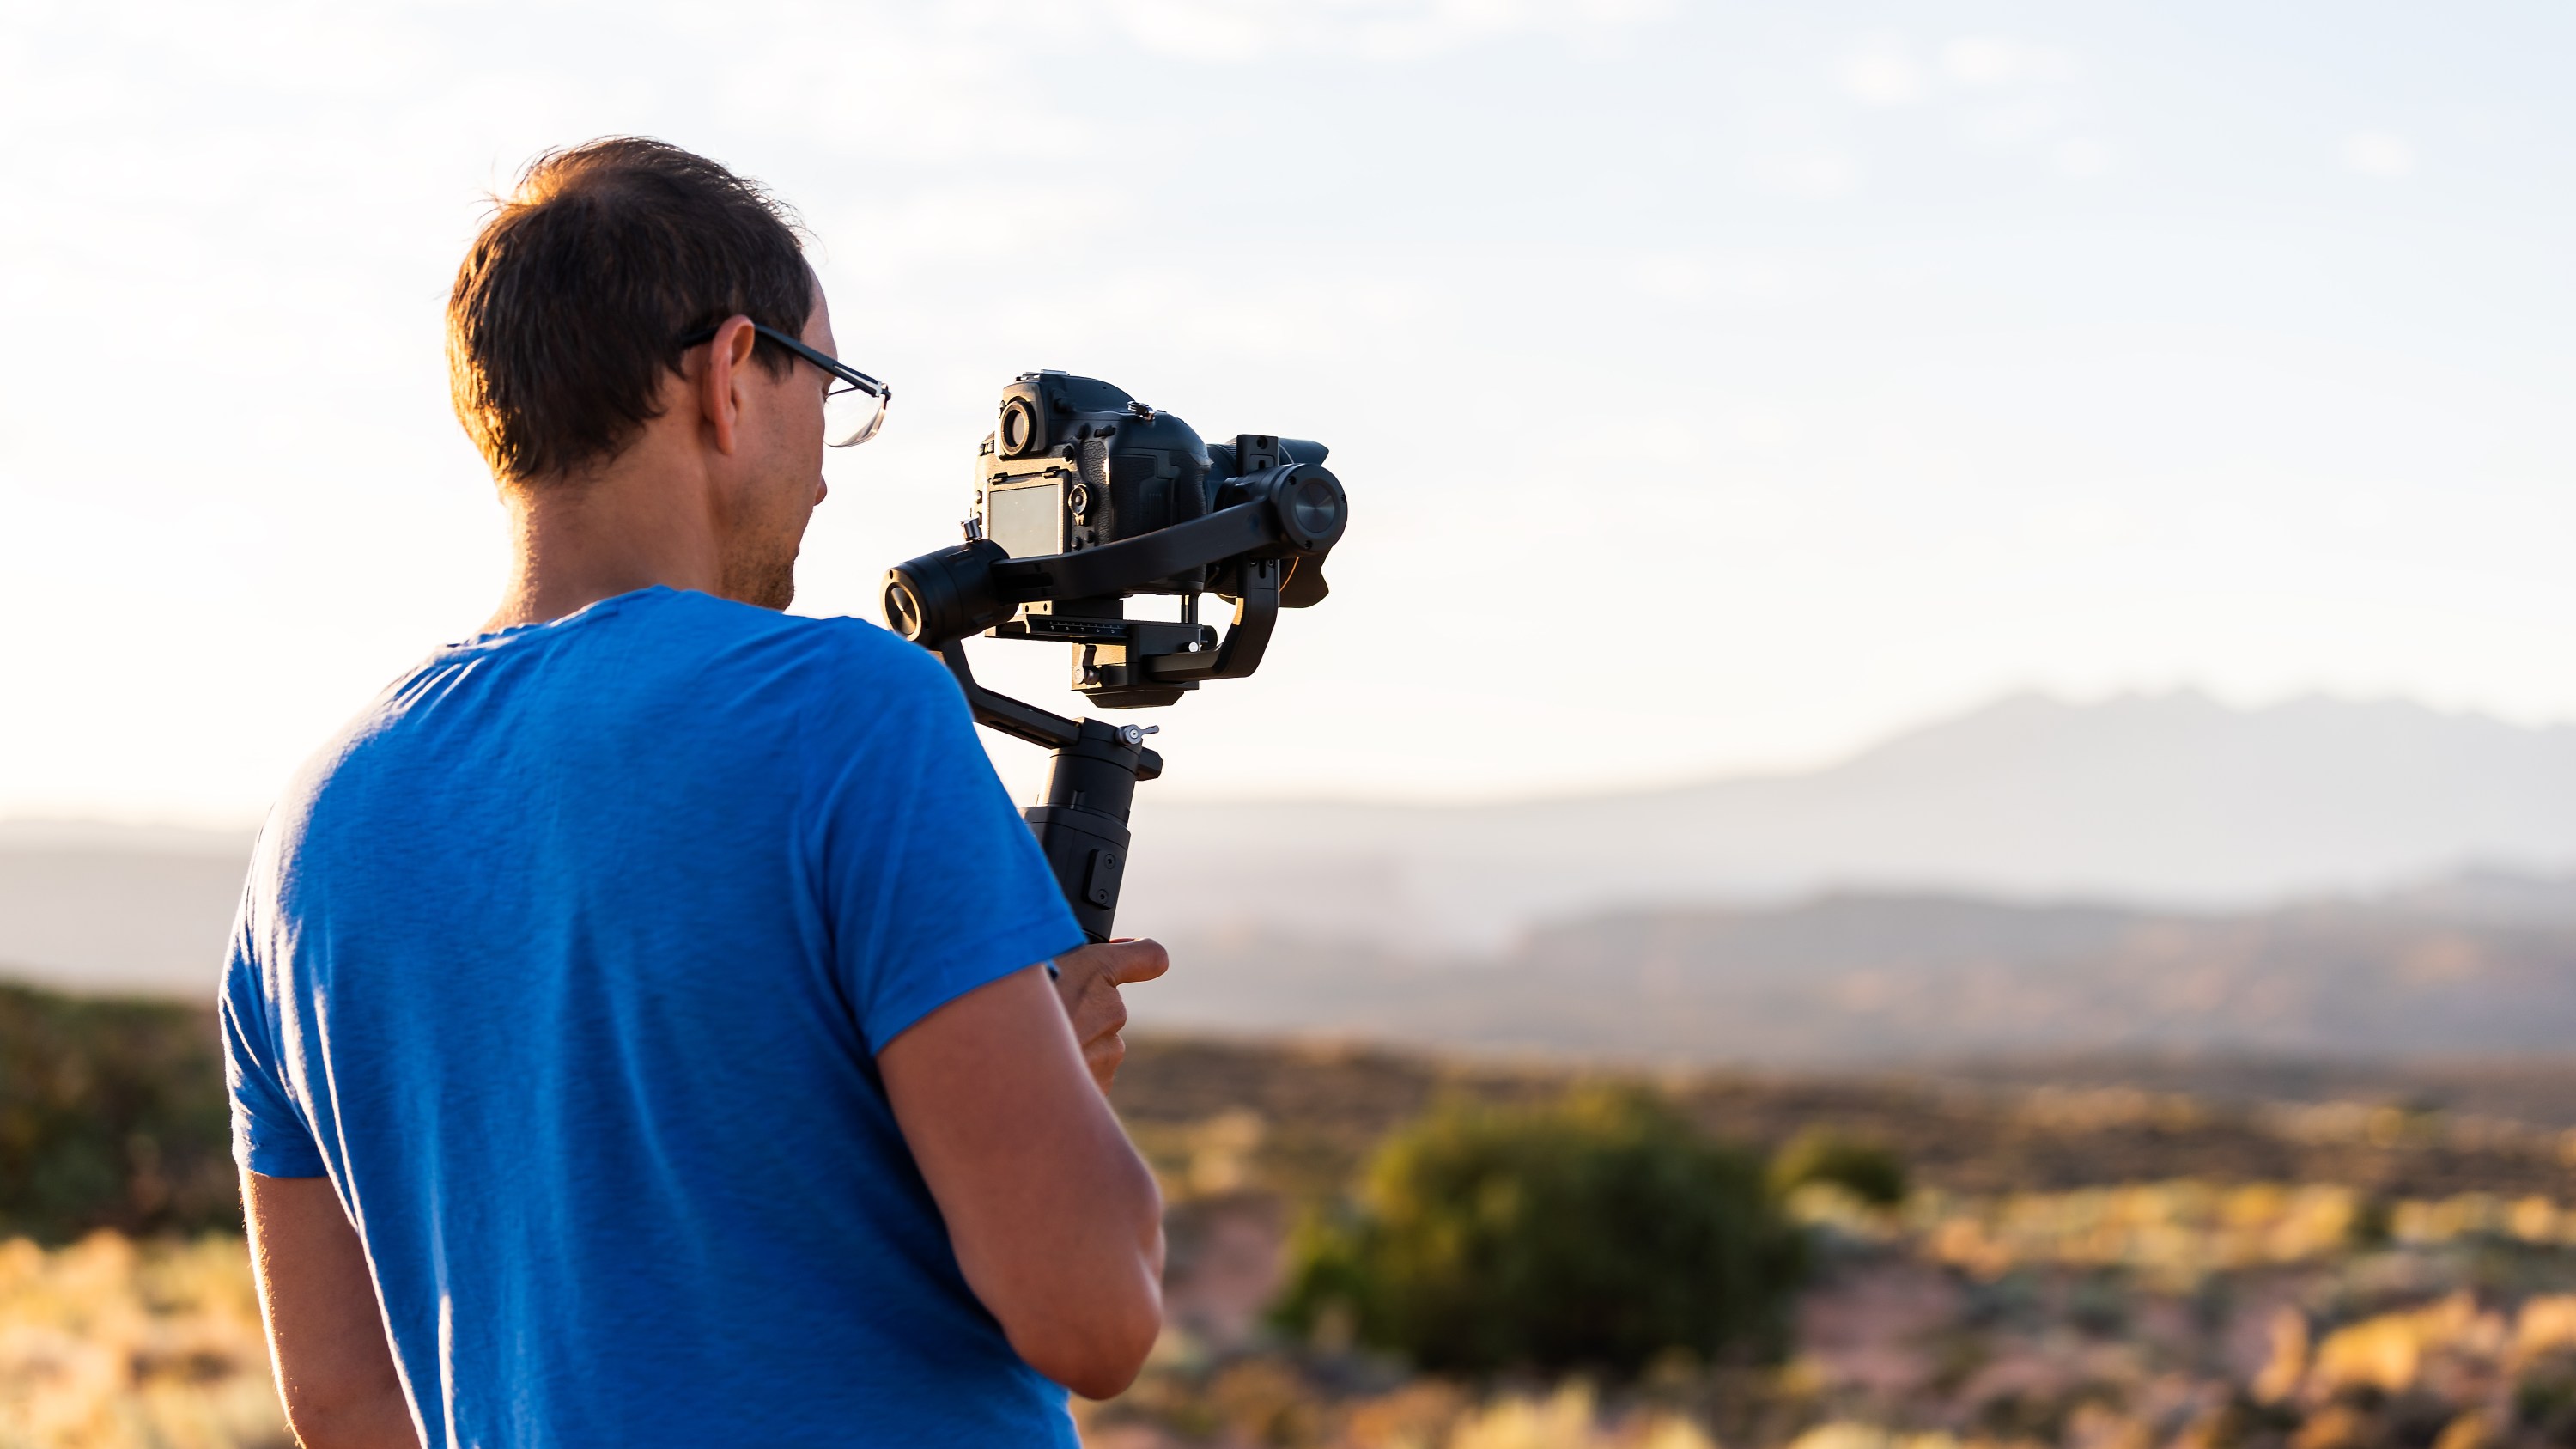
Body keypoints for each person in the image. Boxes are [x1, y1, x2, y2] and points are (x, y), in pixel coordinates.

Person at [219, 137, 1169, 1447]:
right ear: (730, 375)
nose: (829, 466)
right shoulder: (848, 707)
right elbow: (1095, 1315)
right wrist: (1046, 1096)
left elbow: (341, 1403)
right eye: (826, 391)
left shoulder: (310, 834)